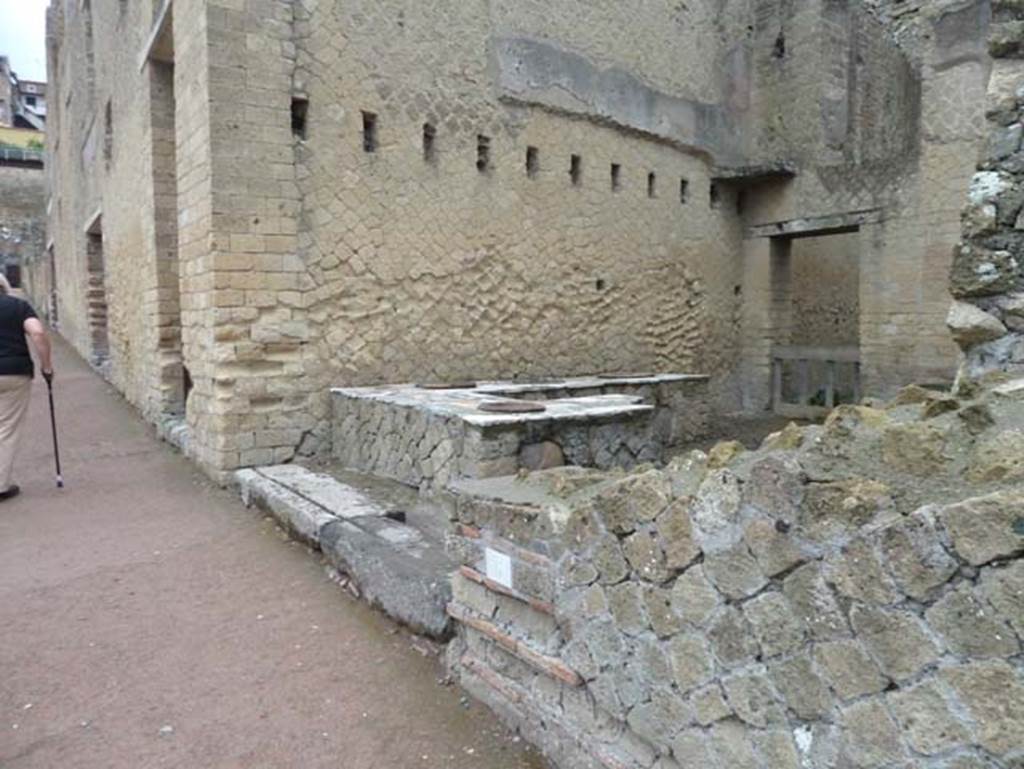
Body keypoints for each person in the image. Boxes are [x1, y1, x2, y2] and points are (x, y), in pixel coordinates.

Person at [0, 274, 53, 501]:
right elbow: (38, 333)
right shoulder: (18, 307)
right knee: (7, 428)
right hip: (14, 371)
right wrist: (47, 366)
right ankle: (1, 484)